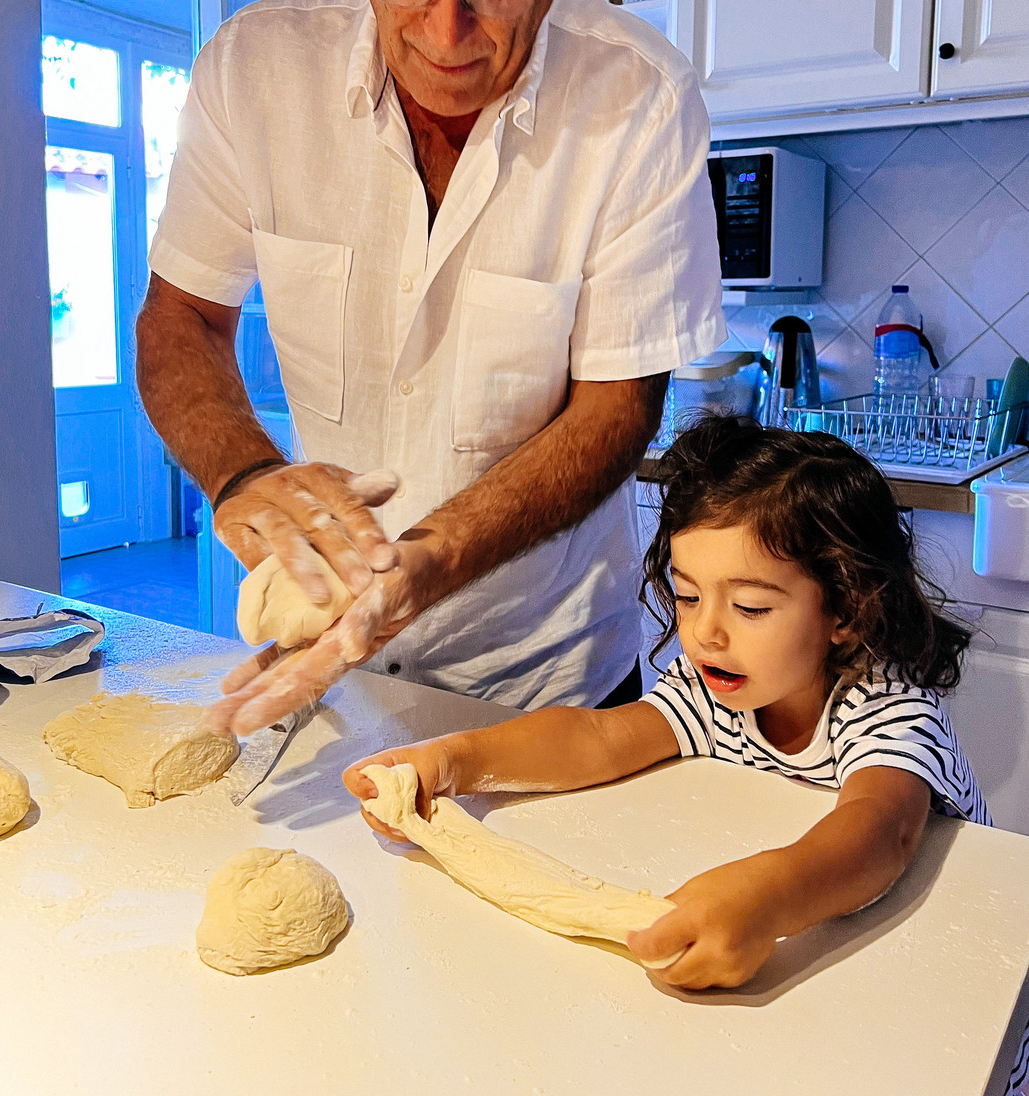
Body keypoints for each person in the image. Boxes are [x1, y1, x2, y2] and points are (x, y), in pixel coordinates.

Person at [137, 0, 724, 735]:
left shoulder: (641, 100)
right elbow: (181, 318)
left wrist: (432, 558)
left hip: (551, 684)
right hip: (337, 671)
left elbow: (616, 408)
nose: (446, 27)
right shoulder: (254, 71)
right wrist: (243, 471)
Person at [345, 414, 1028, 1096]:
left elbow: (883, 828)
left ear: (845, 610)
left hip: (957, 1019)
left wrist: (768, 896)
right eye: (689, 593)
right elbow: (600, 737)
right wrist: (456, 760)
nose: (705, 632)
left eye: (752, 608)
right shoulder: (717, 689)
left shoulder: (888, 709)